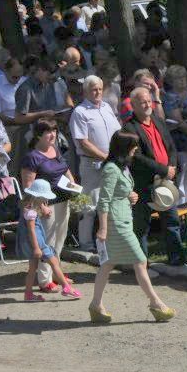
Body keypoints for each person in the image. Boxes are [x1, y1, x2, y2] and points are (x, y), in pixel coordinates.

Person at [89, 130, 175, 323]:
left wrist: (130, 195)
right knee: (140, 260)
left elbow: (118, 192)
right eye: (133, 146)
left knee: (108, 263)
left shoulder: (121, 167)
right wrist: (102, 228)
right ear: (124, 148)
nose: (136, 149)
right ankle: (156, 303)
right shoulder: (111, 168)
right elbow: (104, 201)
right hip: (116, 223)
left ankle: (96, 305)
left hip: (123, 219)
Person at [123, 87, 184, 266]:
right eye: (143, 102)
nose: (148, 104)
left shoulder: (158, 120)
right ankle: (142, 263)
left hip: (166, 182)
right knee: (142, 226)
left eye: (149, 101)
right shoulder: (129, 127)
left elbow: (171, 146)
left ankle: (177, 260)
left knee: (172, 221)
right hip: (145, 184)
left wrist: (171, 166)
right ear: (133, 105)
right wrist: (163, 169)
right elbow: (137, 157)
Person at [21, 118, 77, 293]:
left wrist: (74, 185)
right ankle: (44, 281)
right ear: (39, 135)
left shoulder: (55, 149)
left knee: (60, 239)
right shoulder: (32, 157)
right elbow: (28, 186)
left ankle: (55, 272)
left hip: (63, 200)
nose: (52, 134)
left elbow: (65, 169)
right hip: (46, 206)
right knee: (48, 242)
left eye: (54, 131)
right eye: (48, 131)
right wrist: (41, 207)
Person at [69, 75, 121, 252]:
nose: (98, 92)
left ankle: (112, 241)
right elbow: (83, 142)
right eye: (93, 89)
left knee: (114, 201)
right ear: (85, 91)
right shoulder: (80, 112)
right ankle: (86, 244)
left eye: (100, 88)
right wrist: (105, 157)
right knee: (89, 204)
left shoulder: (106, 107)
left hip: (113, 163)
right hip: (92, 164)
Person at [16, 179, 82, 301]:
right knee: (54, 262)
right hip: (38, 243)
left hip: (36, 242)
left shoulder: (29, 206)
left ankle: (28, 294)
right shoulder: (31, 211)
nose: (46, 200)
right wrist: (36, 248)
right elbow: (31, 231)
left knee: (33, 268)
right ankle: (66, 287)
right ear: (39, 196)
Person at [163, 65, 187, 204]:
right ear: (171, 81)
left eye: (184, 77)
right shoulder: (170, 96)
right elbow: (177, 120)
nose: (182, 81)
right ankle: (181, 205)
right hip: (181, 139)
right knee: (182, 174)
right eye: (178, 78)